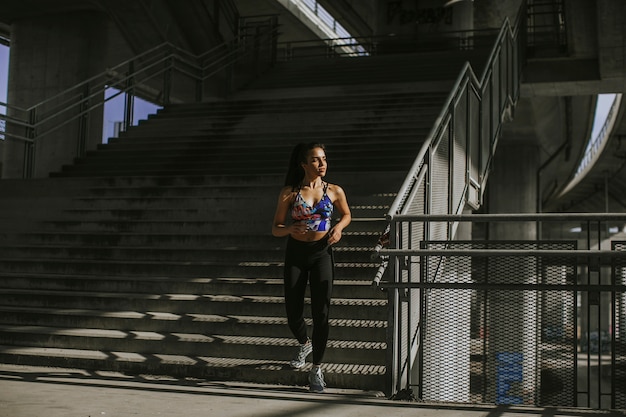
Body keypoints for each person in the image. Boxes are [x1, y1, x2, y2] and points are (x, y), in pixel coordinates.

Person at [271, 142, 351, 393]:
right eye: (316, 160)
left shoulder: (335, 190)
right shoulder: (289, 193)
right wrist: (289, 229)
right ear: (304, 164)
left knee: (322, 313)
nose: (322, 164)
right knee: (293, 311)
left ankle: (316, 368)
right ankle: (305, 342)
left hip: (321, 254)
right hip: (296, 253)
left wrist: (337, 228)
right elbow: (275, 228)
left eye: (324, 159)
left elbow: (347, 215)